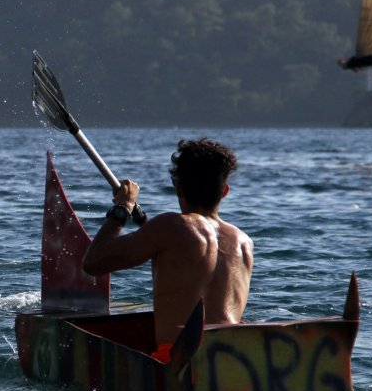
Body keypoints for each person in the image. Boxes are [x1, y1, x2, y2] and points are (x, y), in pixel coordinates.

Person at [81, 138, 254, 362]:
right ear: (225, 191)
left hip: (181, 363)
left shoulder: (172, 226)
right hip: (235, 362)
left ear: (179, 187)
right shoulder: (244, 243)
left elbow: (93, 261)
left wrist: (123, 208)